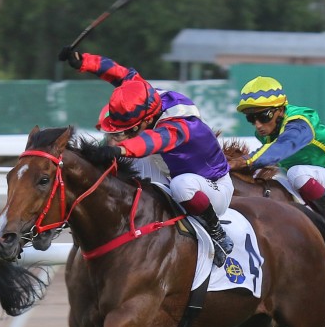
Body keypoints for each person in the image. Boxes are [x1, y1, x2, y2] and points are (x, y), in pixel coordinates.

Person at [60, 47, 233, 266]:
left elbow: (152, 141)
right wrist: (83, 61)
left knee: (182, 185)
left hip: (211, 186)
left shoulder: (180, 125)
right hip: (167, 170)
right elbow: (119, 73)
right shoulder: (144, 94)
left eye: (130, 130)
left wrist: (118, 149)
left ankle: (217, 233)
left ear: (147, 119)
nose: (125, 135)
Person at [235, 75, 325, 247]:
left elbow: (282, 147)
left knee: (297, 173)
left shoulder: (301, 121)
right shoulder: (264, 133)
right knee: (267, 182)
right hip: (305, 179)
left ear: (281, 110)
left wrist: (244, 161)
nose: (258, 124)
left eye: (264, 116)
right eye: (251, 118)